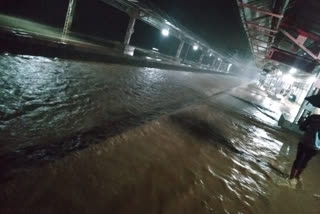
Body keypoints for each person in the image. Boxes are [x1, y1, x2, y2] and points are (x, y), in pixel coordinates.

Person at [289, 114, 320, 185]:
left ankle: (291, 179)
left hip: (304, 142)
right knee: (306, 161)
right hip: (316, 147)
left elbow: (302, 127)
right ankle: (297, 176)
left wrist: (309, 129)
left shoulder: (313, 117)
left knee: (298, 159)